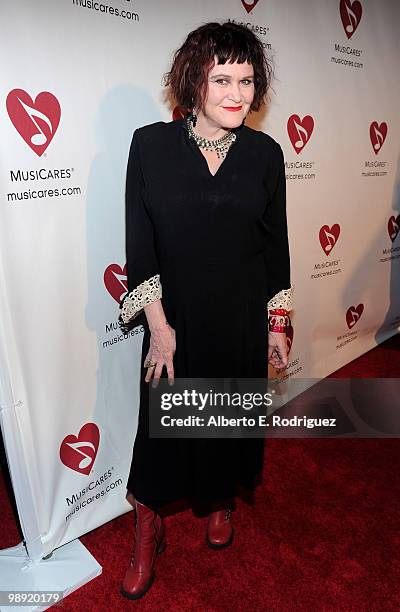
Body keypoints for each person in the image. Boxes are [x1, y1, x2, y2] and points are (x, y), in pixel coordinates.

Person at [118, 21, 293, 599]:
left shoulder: (266, 154)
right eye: (222, 79)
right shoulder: (150, 146)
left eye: (246, 80)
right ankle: (149, 524)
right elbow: (140, 245)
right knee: (162, 432)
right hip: (176, 320)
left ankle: (219, 499)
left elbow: (276, 246)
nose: (236, 94)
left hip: (240, 317)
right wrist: (160, 330)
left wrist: (276, 323)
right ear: (194, 82)